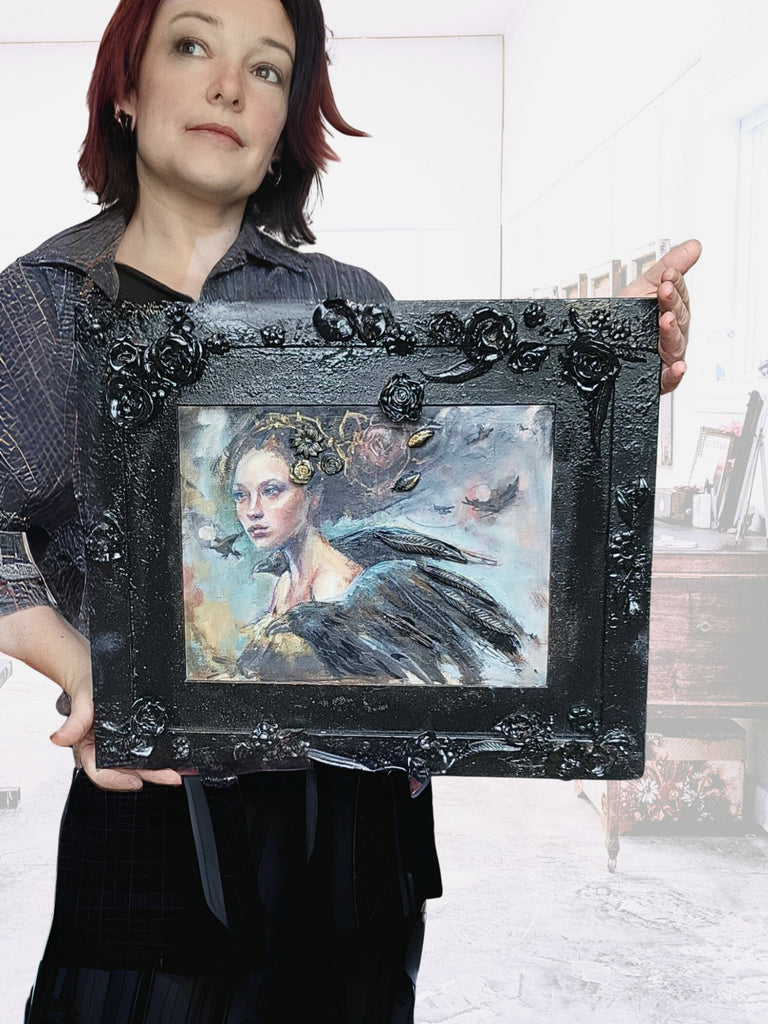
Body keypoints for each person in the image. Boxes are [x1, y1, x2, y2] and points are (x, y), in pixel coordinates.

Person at [0, 0, 700, 1021]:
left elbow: (458, 468)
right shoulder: (43, 305)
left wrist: (608, 372)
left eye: (268, 68)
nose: (229, 85)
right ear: (125, 87)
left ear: (287, 116)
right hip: (159, 805)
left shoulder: (347, 300)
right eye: (192, 45)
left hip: (360, 822)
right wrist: (83, 671)